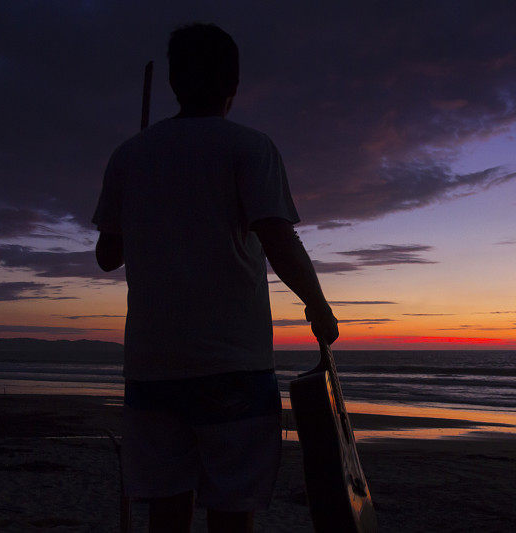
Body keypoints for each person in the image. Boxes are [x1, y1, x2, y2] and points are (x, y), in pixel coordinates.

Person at [92, 22, 339, 533]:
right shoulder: (249, 147)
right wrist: (317, 305)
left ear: (175, 84)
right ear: (233, 87)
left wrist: (139, 214)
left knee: (166, 511)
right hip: (233, 366)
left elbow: (106, 257)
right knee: (231, 513)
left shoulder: (130, 155)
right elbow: (278, 238)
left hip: (152, 366)